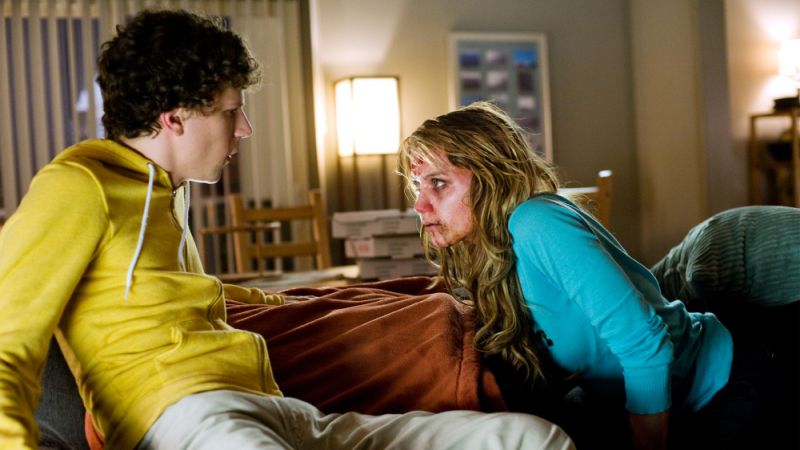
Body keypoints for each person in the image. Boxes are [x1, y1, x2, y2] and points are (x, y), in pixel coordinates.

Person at [0, 10, 575, 450]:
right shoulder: (79, 183)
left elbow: (205, 297)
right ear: (174, 117)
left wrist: (322, 300)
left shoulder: (167, 194)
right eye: (231, 110)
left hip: (280, 409)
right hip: (190, 416)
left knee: (530, 438)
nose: (245, 128)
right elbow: (8, 343)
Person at [398, 101, 799, 450]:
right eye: (418, 185)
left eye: (439, 183)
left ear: (492, 177)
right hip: (674, 401)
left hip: (734, 379)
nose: (419, 204)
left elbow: (644, 343)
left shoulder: (536, 222)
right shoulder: (490, 252)